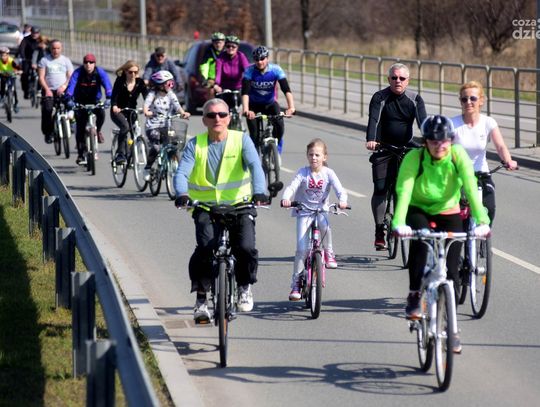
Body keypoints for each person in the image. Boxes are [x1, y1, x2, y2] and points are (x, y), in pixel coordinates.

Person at [392, 115, 491, 352]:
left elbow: (470, 185)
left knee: (453, 270)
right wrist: (398, 223)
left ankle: (451, 328)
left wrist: (482, 221)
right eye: (434, 141)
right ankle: (414, 295)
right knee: (420, 242)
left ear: (451, 140)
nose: (439, 146)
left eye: (444, 141)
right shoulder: (414, 158)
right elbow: (404, 190)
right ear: (425, 142)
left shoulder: (458, 156)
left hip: (449, 211)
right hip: (419, 209)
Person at [173, 98, 268, 322]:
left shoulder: (241, 140)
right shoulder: (195, 144)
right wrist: (182, 193)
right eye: (211, 115)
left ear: (229, 118)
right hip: (206, 206)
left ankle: (244, 286)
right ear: (204, 120)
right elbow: (182, 173)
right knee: (205, 248)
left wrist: (259, 191)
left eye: (222, 114)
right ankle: (201, 299)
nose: (217, 118)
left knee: (245, 247)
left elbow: (255, 166)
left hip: (240, 205)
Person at [365, 62, 427, 250]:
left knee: (408, 187)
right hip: (383, 147)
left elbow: (423, 123)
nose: (398, 81)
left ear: (408, 80)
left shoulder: (415, 99)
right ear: (388, 79)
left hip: (406, 147)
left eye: (401, 78)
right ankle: (379, 230)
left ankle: (405, 220)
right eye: (394, 77)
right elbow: (374, 119)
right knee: (380, 189)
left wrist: (429, 142)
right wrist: (371, 139)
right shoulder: (380, 97)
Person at [281, 138, 348, 300]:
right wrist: (286, 198)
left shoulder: (329, 173)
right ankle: (296, 283)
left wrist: (342, 201)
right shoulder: (302, 172)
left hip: (321, 210)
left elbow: (340, 190)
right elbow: (292, 187)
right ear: (307, 156)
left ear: (325, 157)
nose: (314, 158)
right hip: (304, 212)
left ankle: (329, 252)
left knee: (325, 226)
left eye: (317, 155)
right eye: (311, 155)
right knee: (301, 249)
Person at [451, 81, 518, 224]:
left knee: (489, 208)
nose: (468, 102)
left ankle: (484, 237)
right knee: (456, 215)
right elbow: (444, 148)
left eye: (473, 98)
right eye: (464, 99)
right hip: (458, 175)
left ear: (481, 100)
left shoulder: (488, 122)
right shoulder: (452, 124)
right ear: (460, 101)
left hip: (481, 174)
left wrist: (508, 160)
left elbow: (500, 146)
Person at [242, 45, 296, 153]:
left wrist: (291, 108)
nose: (259, 62)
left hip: (270, 104)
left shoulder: (276, 70)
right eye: (257, 59)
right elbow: (245, 92)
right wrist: (246, 110)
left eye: (262, 58)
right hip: (253, 105)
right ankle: (255, 156)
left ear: (267, 58)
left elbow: (286, 89)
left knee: (279, 127)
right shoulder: (249, 71)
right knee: (254, 135)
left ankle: (276, 153)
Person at [65, 53, 113, 165]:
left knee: (101, 114)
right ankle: (80, 154)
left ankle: (98, 131)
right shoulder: (78, 72)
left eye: (91, 62)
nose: (88, 65)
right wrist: (69, 98)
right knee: (80, 129)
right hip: (80, 102)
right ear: (83, 63)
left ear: (94, 63)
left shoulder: (99, 72)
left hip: (94, 101)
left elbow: (107, 84)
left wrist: (109, 97)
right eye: (86, 62)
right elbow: (71, 85)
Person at [143, 70, 190, 180]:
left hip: (166, 125)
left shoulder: (170, 94)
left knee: (174, 142)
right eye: (168, 83)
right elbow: (146, 105)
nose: (171, 85)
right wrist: (146, 111)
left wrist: (183, 113)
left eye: (172, 83)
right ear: (160, 85)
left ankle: (171, 162)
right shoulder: (153, 94)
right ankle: (148, 168)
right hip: (153, 126)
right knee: (156, 147)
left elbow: (177, 106)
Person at [110, 60, 148, 164]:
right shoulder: (120, 81)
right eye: (130, 72)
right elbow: (114, 97)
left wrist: (148, 108)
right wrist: (115, 106)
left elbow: (147, 97)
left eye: (136, 72)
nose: (133, 75)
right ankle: (120, 154)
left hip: (132, 112)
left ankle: (131, 155)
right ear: (125, 71)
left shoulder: (140, 82)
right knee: (125, 127)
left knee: (134, 132)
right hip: (119, 111)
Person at [38, 39, 73, 144]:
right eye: (53, 48)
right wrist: (47, 89)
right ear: (50, 48)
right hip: (49, 90)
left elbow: (70, 76)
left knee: (72, 106)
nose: (56, 50)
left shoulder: (66, 60)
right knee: (47, 110)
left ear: (61, 49)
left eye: (58, 48)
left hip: (62, 89)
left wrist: (64, 86)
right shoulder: (44, 60)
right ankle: (48, 133)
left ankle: (71, 125)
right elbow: (41, 77)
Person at [213, 35, 249, 110]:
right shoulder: (221, 57)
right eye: (228, 46)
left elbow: (247, 70)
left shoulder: (241, 56)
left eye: (233, 46)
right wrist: (216, 84)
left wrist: (249, 81)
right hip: (225, 88)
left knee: (240, 107)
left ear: (237, 47)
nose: (230, 48)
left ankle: (240, 114)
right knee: (224, 108)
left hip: (238, 87)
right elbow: (218, 72)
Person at [199, 32, 225, 98]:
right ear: (213, 43)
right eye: (216, 43)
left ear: (224, 43)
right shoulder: (209, 53)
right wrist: (205, 79)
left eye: (220, 42)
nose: (218, 45)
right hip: (212, 79)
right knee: (211, 92)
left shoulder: (227, 52)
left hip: (225, 79)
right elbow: (204, 66)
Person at [17, 25, 40, 99]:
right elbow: (22, 48)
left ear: (39, 33)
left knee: (42, 75)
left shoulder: (41, 40)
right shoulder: (26, 39)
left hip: (38, 61)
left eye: (36, 33)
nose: (35, 35)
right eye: (33, 33)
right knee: (25, 75)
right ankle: (26, 91)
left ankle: (39, 90)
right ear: (31, 32)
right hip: (27, 60)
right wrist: (23, 57)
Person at [0, 46, 21, 113]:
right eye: (1, 55)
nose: (3, 57)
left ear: (8, 55)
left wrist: (19, 71)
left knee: (14, 90)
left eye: (5, 55)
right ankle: (2, 97)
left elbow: (17, 67)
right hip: (3, 76)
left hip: (11, 76)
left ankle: (15, 104)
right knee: (2, 85)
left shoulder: (11, 60)